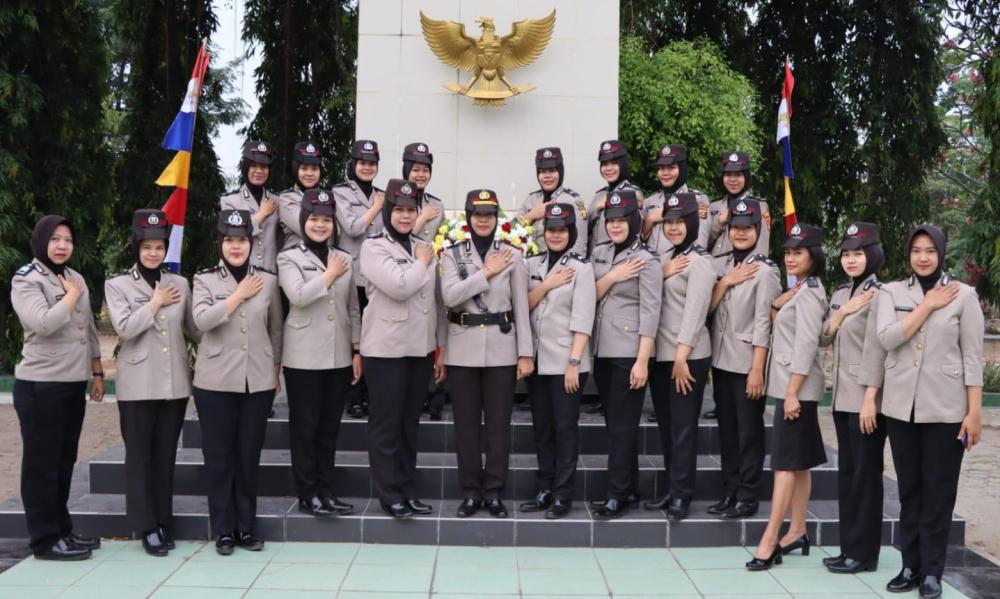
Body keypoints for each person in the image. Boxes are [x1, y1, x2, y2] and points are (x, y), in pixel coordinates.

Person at [875, 225, 984, 599]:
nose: (923, 257)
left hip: (947, 409)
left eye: (930, 251)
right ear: (908, 254)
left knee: (938, 493)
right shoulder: (891, 292)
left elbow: (972, 357)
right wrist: (926, 306)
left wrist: (974, 412)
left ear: (941, 254)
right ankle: (910, 566)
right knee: (910, 490)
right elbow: (887, 339)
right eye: (916, 250)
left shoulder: (964, 295)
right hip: (900, 409)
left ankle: (933, 571)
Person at [104, 209, 198, 556]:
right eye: (148, 247)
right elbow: (125, 328)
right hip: (138, 384)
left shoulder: (182, 284)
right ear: (137, 247)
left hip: (173, 384)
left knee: (165, 456)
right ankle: (146, 526)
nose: (154, 253)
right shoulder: (117, 285)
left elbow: (195, 328)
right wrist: (155, 302)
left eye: (160, 247)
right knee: (140, 456)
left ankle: (163, 520)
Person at [11, 215, 104, 560]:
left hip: (71, 384)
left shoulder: (74, 277)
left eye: (67, 239)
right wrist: (70, 298)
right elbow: (43, 323)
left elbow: (89, 328)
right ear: (41, 242)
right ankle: (45, 540)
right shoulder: (27, 280)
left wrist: (96, 372)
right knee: (42, 465)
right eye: (55, 239)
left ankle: (63, 530)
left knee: (64, 461)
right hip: (40, 386)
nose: (62, 245)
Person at [191, 209, 282, 556]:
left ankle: (246, 527)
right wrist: (236, 296)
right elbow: (201, 321)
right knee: (219, 458)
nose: (235, 246)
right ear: (220, 243)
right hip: (214, 383)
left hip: (256, 381)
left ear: (252, 243)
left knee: (248, 457)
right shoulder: (204, 280)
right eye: (229, 240)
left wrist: (274, 371)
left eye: (242, 239)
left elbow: (275, 329)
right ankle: (224, 529)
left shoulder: (268, 279)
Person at [441, 189, 534, 518]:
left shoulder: (513, 255)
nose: (483, 220)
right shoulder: (452, 254)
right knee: (465, 426)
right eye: (477, 214)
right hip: (462, 347)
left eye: (489, 215)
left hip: (501, 348)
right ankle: (469, 491)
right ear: (468, 218)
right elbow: (450, 296)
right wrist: (486, 272)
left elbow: (521, 307)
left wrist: (526, 353)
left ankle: (493, 491)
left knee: (497, 425)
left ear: (497, 219)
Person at [360, 178, 446, 519]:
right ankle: (389, 493)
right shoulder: (374, 247)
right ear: (388, 213)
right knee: (386, 424)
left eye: (412, 210)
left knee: (410, 423)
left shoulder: (421, 245)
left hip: (419, 347)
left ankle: (407, 490)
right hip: (386, 350)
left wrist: (439, 345)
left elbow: (435, 301)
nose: (406, 216)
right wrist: (422, 263)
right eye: (400, 210)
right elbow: (399, 286)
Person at [747, 223, 828, 571]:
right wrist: (780, 302)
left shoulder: (809, 294)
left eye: (799, 252)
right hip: (793, 388)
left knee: (783, 465)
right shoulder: (800, 290)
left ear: (814, 256)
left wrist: (792, 392)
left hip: (795, 390)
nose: (791, 257)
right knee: (798, 463)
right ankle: (797, 530)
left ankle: (770, 540)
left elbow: (808, 344)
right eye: (788, 252)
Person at [277, 189, 360, 519]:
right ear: (303, 222)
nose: (321, 225)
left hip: (338, 355)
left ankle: (326, 490)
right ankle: (307, 492)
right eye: (314, 219)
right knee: (305, 427)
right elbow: (297, 295)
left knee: (329, 428)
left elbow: (353, 307)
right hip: (303, 357)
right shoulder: (288, 258)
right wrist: (328, 275)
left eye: (326, 220)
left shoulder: (344, 258)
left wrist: (357, 348)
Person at [704, 199, 781, 520]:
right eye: (735, 227)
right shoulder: (721, 265)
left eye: (747, 228)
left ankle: (748, 496)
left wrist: (756, 370)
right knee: (727, 430)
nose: (740, 233)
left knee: (749, 433)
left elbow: (765, 323)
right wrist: (725, 283)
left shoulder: (766, 271)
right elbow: (706, 308)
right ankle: (730, 490)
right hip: (721, 361)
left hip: (747, 363)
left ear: (757, 230)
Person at [588, 189, 662, 520]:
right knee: (616, 422)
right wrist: (614, 276)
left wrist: (643, 361)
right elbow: (589, 295)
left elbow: (651, 312)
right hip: (602, 349)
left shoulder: (646, 259)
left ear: (634, 221)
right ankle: (629, 487)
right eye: (611, 221)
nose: (615, 226)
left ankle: (617, 494)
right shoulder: (600, 252)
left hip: (630, 352)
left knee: (622, 426)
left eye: (622, 220)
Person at [819, 222, 888, 574]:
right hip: (841, 399)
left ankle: (864, 554)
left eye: (858, 253)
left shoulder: (882, 295)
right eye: (846, 254)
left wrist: (869, 401)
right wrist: (843, 312)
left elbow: (879, 351)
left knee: (866, 476)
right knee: (848, 474)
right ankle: (848, 548)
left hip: (865, 402)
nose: (850, 260)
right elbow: (824, 338)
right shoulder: (842, 294)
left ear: (872, 255)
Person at [519, 203, 595, 519]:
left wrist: (574, 362)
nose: (556, 235)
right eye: (551, 229)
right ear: (544, 232)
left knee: (565, 429)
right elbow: (523, 306)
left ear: (570, 233)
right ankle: (544, 488)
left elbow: (583, 318)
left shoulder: (582, 268)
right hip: (538, 361)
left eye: (562, 230)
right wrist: (548, 284)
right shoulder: (531, 265)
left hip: (567, 363)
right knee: (542, 429)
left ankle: (563, 494)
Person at [642, 194, 715, 521]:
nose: (673, 228)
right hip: (661, 355)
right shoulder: (667, 257)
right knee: (669, 427)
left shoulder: (699, 260)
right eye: (668, 222)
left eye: (679, 222)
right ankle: (672, 489)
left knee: (684, 428)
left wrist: (682, 357)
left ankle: (682, 496)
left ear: (692, 223)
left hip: (686, 357)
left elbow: (696, 313)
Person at [334, 139, 383, 418]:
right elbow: (352, 228)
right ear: (353, 165)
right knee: (353, 338)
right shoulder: (339, 193)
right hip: (351, 277)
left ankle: (369, 393)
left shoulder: (381, 193)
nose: (367, 167)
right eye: (362, 163)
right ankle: (353, 395)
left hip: (377, 279)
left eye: (372, 163)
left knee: (373, 339)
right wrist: (376, 208)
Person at [517, 147, 589, 256]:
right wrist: (531, 216)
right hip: (530, 266)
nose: (547, 176)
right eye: (542, 171)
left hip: (560, 268)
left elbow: (579, 246)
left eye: (552, 170)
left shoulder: (573, 200)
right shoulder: (531, 199)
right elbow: (509, 234)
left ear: (561, 171)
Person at [221, 140, 280, 272]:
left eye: (264, 167)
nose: (259, 171)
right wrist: (261, 214)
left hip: (269, 274)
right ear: (246, 167)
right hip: (239, 273)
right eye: (253, 166)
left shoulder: (277, 200)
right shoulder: (229, 200)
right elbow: (233, 233)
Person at [704, 152, 771, 257]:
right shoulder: (714, 206)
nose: (732, 180)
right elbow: (702, 243)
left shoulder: (758, 205)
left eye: (738, 174)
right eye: (728, 174)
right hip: (710, 270)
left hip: (740, 270)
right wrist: (720, 221)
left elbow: (761, 248)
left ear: (746, 176)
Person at [641, 144, 710, 246]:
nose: (665, 173)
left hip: (678, 261)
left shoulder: (696, 200)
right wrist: (649, 220)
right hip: (648, 261)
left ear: (681, 169)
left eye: (671, 168)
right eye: (661, 168)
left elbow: (699, 245)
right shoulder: (650, 201)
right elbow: (635, 244)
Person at [588, 139, 645, 255]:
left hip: (619, 260)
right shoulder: (599, 195)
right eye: (604, 164)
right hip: (595, 260)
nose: (608, 168)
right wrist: (597, 207)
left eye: (614, 163)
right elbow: (585, 226)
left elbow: (637, 232)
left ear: (622, 164)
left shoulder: (632, 193)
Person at [278, 141, 325, 250]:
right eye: (304, 168)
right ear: (296, 169)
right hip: (295, 261)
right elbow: (306, 228)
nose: (309, 173)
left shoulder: (328, 197)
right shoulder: (286, 198)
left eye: (314, 169)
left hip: (325, 260)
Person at [402, 142, 445, 242]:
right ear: (407, 171)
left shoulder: (437, 204)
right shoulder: (394, 201)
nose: (421, 175)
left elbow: (443, 239)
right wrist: (423, 217)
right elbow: (397, 238)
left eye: (426, 171)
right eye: (416, 170)